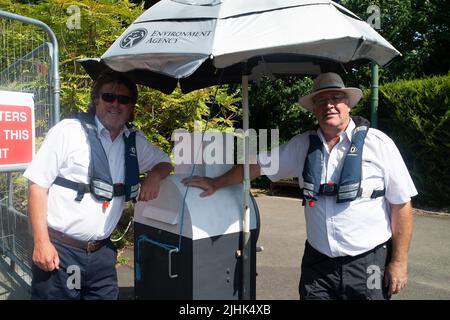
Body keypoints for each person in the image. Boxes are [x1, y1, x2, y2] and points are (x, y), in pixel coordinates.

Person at [182, 72, 418, 300]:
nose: (329, 105)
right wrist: (216, 182)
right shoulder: (302, 145)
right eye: (321, 100)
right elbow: (256, 165)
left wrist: (399, 262)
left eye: (336, 98)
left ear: (348, 104)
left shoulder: (379, 144)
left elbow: (402, 205)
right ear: (314, 109)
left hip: (368, 262)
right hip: (318, 263)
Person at [23, 71, 172, 300]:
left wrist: (154, 176)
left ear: (131, 106)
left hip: (102, 254)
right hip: (62, 251)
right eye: (108, 97)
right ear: (96, 100)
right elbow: (37, 186)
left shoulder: (133, 141)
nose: (115, 104)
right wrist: (41, 242)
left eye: (124, 99)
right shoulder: (69, 131)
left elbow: (165, 163)